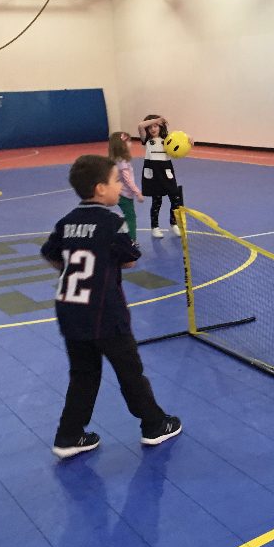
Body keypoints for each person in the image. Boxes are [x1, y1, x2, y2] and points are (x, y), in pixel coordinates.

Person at [41, 154, 182, 458]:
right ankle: (154, 424)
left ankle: (68, 436)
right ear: (100, 189)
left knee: (83, 374)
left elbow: (51, 254)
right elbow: (129, 260)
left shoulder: (66, 222)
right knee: (129, 370)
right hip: (105, 312)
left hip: (70, 310)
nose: (120, 186)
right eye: (116, 181)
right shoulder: (112, 222)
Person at [137, 114, 183, 239]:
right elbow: (140, 126)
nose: (153, 129)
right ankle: (155, 227)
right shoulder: (146, 140)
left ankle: (173, 223)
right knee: (157, 202)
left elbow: (180, 139)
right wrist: (156, 120)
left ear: (161, 127)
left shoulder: (167, 139)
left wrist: (189, 138)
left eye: (156, 126)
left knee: (175, 198)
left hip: (167, 172)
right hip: (153, 174)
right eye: (150, 126)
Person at [108, 131, 143, 243]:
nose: (130, 143)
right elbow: (128, 180)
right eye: (128, 141)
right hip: (124, 194)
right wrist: (137, 192)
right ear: (121, 145)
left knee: (127, 215)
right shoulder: (122, 162)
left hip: (118, 192)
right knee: (131, 217)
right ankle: (132, 240)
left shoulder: (116, 159)